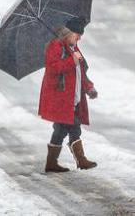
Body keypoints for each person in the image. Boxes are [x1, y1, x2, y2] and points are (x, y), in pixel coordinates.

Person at [38, 16, 98, 173]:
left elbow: (81, 73)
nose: (79, 38)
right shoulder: (56, 46)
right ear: (68, 33)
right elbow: (53, 68)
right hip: (61, 99)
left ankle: (53, 163)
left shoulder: (73, 48)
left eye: (80, 35)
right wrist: (72, 61)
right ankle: (80, 160)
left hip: (74, 98)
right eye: (77, 34)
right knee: (71, 128)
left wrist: (89, 88)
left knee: (62, 129)